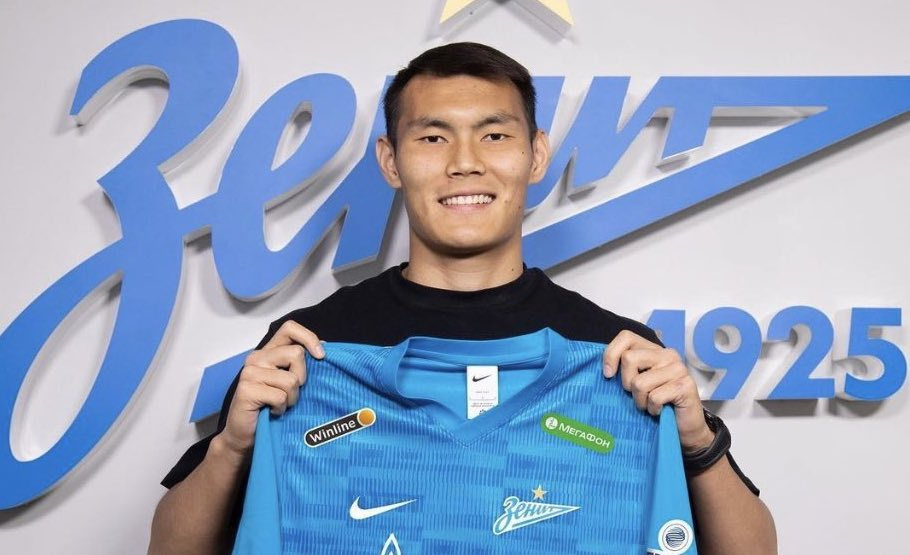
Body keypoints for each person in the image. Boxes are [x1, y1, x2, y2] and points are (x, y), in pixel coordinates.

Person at [149, 42, 776, 554]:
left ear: (536, 154)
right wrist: (233, 447)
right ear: (390, 161)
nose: (465, 163)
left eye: (494, 136)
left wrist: (698, 442)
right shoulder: (311, 349)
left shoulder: (617, 356)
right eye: (433, 138)